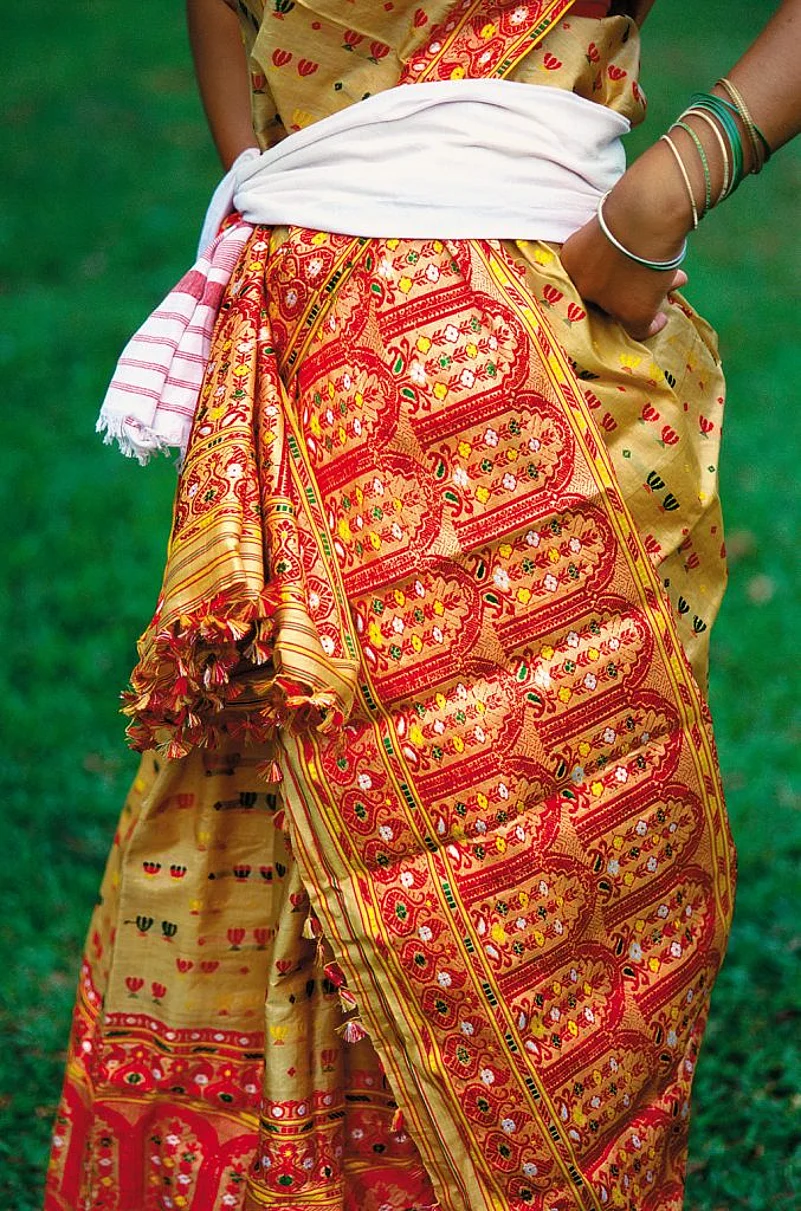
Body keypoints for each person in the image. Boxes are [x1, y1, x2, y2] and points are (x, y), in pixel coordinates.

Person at [43, 2, 800, 1208]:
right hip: (307, 329)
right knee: (280, 813)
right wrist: (278, 179)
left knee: (566, 850)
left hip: (543, 336)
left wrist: (675, 180)